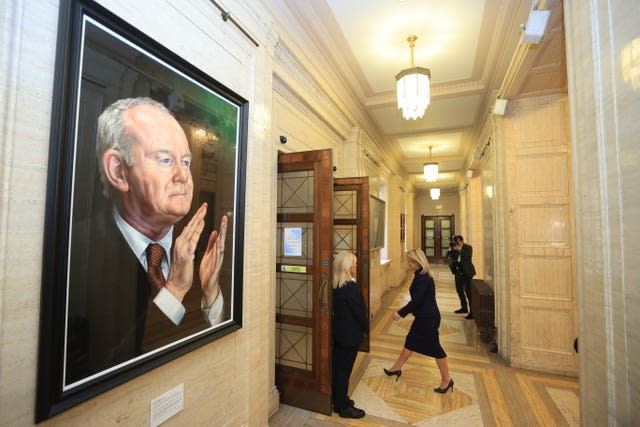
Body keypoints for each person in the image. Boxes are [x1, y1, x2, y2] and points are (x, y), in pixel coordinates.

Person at [66, 97, 228, 384]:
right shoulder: (76, 254)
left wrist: (211, 293)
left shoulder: (197, 246)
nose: (183, 176)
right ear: (118, 170)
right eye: (165, 160)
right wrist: (175, 289)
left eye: (186, 162)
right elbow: (106, 369)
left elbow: (203, 335)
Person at [383, 248, 454, 394]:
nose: (408, 264)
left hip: (428, 319)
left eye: (410, 261)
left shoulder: (422, 278)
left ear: (417, 261)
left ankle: (447, 379)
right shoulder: (420, 275)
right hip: (424, 317)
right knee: (409, 343)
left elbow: (416, 302)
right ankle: (396, 368)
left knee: (435, 348)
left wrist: (400, 313)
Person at [331, 251, 368, 419]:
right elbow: (360, 313)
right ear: (347, 267)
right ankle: (343, 407)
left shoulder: (335, 285)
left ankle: (339, 399)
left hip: (339, 333)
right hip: (350, 336)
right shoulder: (350, 288)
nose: (356, 266)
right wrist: (367, 330)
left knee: (338, 369)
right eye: (354, 263)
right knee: (343, 372)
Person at [452, 235, 476, 319]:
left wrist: (460, 250)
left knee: (468, 292)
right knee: (459, 290)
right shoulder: (454, 247)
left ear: (461, 241)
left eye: (458, 242)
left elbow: (467, 257)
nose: (457, 243)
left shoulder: (468, 247)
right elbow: (451, 257)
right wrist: (452, 251)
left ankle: (472, 312)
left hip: (467, 273)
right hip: (458, 272)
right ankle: (464, 307)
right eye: (455, 242)